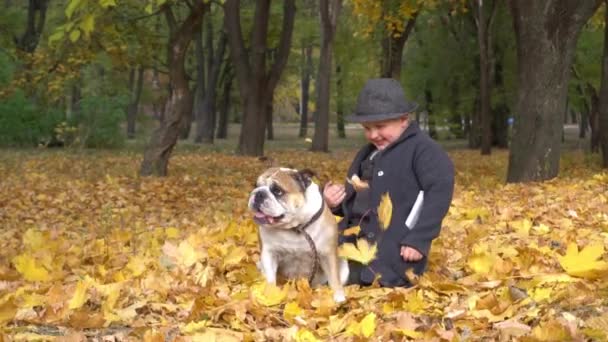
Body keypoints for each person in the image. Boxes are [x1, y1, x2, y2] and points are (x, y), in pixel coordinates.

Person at [323, 78, 454, 287]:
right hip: (353, 245)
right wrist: (335, 203)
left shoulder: (423, 150)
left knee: (358, 279)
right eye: (367, 128)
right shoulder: (367, 154)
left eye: (380, 126)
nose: (373, 134)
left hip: (396, 252)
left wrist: (419, 239)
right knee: (316, 267)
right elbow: (357, 201)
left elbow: (438, 193)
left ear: (404, 119)